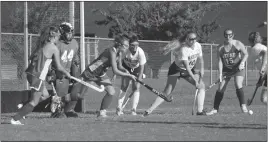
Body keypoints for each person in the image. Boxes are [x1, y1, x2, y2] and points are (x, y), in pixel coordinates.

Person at [10, 25, 71, 125]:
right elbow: (59, 66)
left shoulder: (43, 44)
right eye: (59, 36)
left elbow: (35, 59)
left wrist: (47, 70)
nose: (59, 38)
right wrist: (67, 73)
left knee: (45, 95)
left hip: (31, 73)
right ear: (54, 36)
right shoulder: (53, 48)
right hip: (37, 76)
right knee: (34, 102)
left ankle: (23, 107)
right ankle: (16, 118)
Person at [68, 34, 136, 118]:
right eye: (125, 45)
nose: (127, 48)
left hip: (101, 74)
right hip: (91, 72)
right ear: (119, 45)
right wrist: (128, 75)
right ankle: (65, 105)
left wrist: (126, 71)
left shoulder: (120, 53)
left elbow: (119, 66)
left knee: (111, 92)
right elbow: (115, 70)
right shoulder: (112, 51)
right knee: (80, 95)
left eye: (128, 46)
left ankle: (102, 112)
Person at [143, 32, 207, 116]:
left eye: (194, 39)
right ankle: (149, 110)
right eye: (191, 39)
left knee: (202, 86)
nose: (193, 41)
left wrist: (202, 69)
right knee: (167, 92)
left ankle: (200, 111)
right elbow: (187, 67)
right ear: (187, 40)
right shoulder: (184, 49)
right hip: (177, 70)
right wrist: (196, 81)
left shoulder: (198, 46)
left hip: (189, 70)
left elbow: (201, 59)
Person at [206, 29, 249, 115]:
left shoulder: (238, 43)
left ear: (233, 35)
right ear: (224, 35)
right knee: (221, 88)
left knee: (238, 84)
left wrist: (242, 62)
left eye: (230, 35)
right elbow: (220, 61)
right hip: (226, 70)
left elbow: (246, 54)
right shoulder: (220, 47)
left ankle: (243, 106)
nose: (228, 37)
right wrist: (221, 73)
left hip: (238, 68)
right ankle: (215, 109)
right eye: (226, 35)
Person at [50, 22, 80, 118]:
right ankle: (56, 112)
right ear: (63, 33)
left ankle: (69, 110)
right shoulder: (57, 44)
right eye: (68, 33)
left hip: (68, 72)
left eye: (71, 33)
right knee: (60, 95)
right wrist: (50, 73)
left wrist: (75, 75)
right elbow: (49, 59)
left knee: (76, 93)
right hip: (58, 72)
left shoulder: (75, 43)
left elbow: (75, 60)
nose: (70, 35)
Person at [116, 35, 147, 116]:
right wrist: (126, 72)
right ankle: (119, 108)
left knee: (136, 88)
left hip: (137, 69)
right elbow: (119, 64)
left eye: (137, 45)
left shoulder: (140, 52)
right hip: (125, 67)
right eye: (133, 45)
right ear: (129, 45)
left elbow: (142, 67)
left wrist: (139, 80)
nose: (135, 47)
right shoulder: (124, 51)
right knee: (124, 86)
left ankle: (133, 110)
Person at [248, 32, 267, 105]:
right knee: (263, 99)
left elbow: (265, 53)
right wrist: (260, 81)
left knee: (264, 99)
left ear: (251, 40)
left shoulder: (256, 48)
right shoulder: (257, 47)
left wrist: (262, 68)